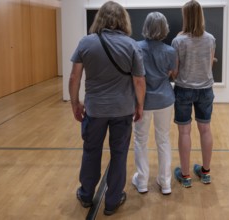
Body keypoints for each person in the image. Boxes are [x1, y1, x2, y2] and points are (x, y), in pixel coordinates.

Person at [69, 1, 146, 216]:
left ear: (100, 19)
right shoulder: (132, 45)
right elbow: (139, 81)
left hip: (94, 111)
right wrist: (139, 105)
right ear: (123, 20)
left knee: (91, 151)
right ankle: (112, 201)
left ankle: (86, 194)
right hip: (122, 110)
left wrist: (75, 103)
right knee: (119, 154)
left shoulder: (86, 42)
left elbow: (75, 76)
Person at [171, 0, 216, 188]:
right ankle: (205, 173)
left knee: (184, 131)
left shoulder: (178, 41)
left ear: (186, 17)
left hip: (183, 90)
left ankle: (186, 175)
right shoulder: (210, 38)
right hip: (205, 89)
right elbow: (210, 64)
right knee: (205, 129)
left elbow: (174, 71)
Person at [132, 12, 177, 195]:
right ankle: (165, 182)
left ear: (146, 27)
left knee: (140, 140)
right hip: (165, 100)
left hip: (142, 101)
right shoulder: (170, 51)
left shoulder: (136, 47)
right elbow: (173, 73)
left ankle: (142, 181)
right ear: (165, 28)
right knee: (163, 140)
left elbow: (134, 76)